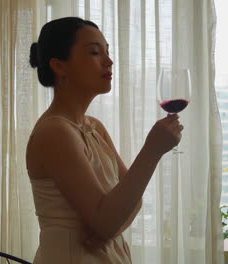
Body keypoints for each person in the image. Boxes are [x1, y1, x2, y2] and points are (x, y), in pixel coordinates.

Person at [26, 17, 184, 264]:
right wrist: (152, 150)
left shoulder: (94, 127)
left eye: (108, 52)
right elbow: (108, 219)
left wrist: (108, 228)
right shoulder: (54, 132)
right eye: (94, 52)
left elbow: (132, 200)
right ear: (59, 66)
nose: (109, 61)